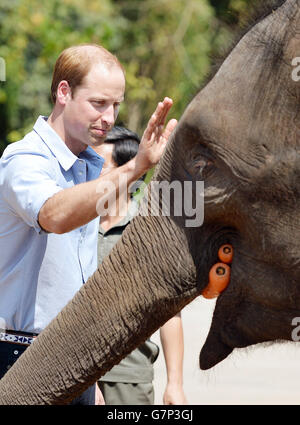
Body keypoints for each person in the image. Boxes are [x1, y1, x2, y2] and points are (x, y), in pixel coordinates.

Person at [0, 44, 177, 405]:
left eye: (116, 104)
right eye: (99, 103)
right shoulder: (24, 159)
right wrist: (135, 166)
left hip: (72, 359)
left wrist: (89, 376)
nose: (110, 117)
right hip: (19, 353)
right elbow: (53, 215)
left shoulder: (88, 165)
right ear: (64, 93)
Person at [93, 126, 187, 405]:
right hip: (73, 374)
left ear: (130, 173)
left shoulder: (148, 233)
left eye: (100, 164)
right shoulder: (74, 229)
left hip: (128, 378)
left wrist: (175, 384)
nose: (90, 171)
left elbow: (169, 313)